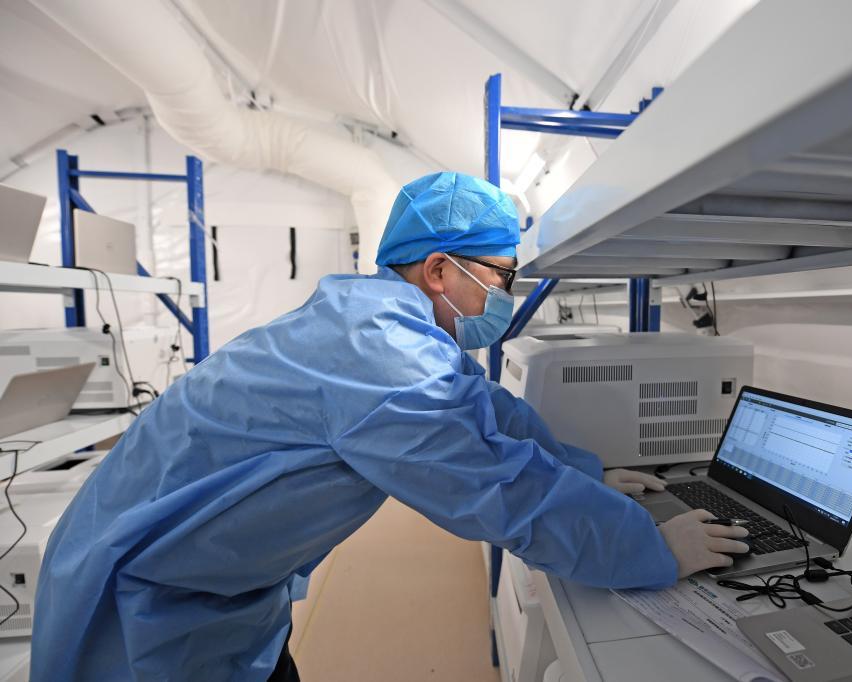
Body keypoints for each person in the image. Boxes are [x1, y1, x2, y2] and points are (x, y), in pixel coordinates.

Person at [31, 172, 748, 681]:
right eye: (502, 277)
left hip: (216, 589)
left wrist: (585, 472)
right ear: (439, 270)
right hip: (147, 604)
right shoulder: (386, 357)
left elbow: (484, 410)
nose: (507, 295)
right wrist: (650, 548)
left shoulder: (379, 320)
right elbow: (497, 489)